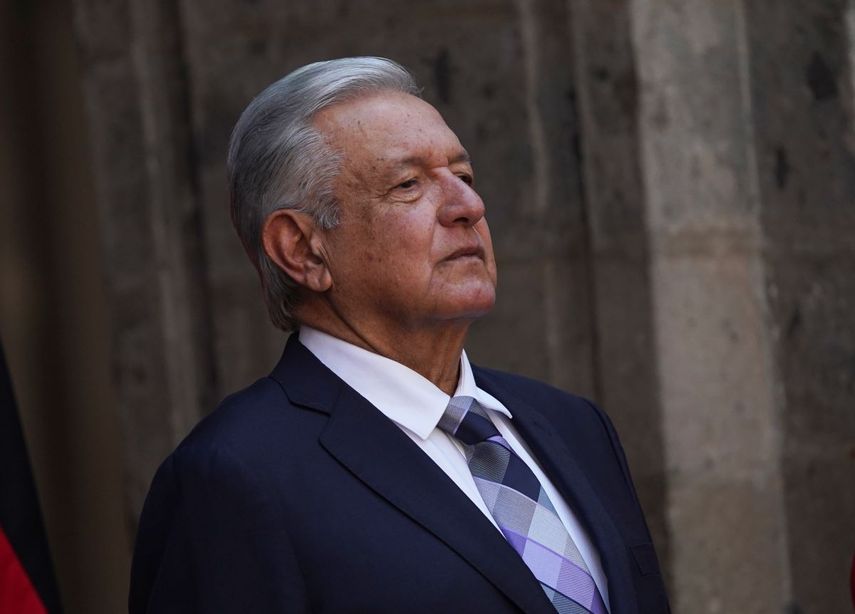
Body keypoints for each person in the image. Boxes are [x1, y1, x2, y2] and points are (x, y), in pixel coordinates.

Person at [129, 57, 669, 614]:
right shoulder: (232, 478)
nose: (470, 207)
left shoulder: (575, 426)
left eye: (463, 176)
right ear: (302, 249)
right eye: (409, 184)